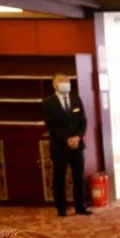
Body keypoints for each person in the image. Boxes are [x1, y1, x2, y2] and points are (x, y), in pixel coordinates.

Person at [42, 72, 89, 217]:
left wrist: (78, 137)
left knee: (78, 177)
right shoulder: (48, 102)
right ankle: (61, 208)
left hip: (77, 146)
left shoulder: (76, 99)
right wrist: (67, 139)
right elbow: (51, 125)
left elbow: (83, 121)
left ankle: (80, 206)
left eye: (67, 80)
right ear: (54, 84)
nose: (66, 83)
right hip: (59, 147)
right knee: (59, 178)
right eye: (62, 80)